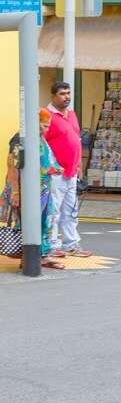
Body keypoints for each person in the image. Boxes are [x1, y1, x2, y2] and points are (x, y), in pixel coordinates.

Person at [0, 110, 65, 269]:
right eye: (44, 126)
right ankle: (27, 257)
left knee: (45, 221)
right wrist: (16, 192)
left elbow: (44, 160)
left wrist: (54, 168)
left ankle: (42, 255)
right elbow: (13, 166)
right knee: (26, 223)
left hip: (42, 190)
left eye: (48, 126)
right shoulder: (19, 139)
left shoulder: (39, 138)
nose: (46, 130)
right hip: (25, 191)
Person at [44, 81, 91, 257]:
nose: (67, 97)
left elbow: (76, 140)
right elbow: (42, 143)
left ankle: (71, 244)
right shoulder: (46, 115)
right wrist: (51, 166)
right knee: (54, 211)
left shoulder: (71, 114)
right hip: (56, 173)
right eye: (63, 94)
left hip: (71, 171)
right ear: (53, 95)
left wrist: (79, 165)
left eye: (68, 93)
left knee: (71, 210)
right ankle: (53, 245)